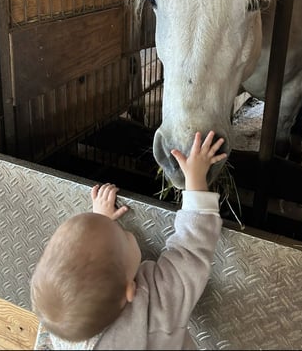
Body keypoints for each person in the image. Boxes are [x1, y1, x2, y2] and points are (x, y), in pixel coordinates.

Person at [30, 130, 227, 350]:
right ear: (130, 291)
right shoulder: (155, 307)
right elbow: (191, 250)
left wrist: (101, 220)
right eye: (122, 235)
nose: (124, 232)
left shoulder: (64, 333)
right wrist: (195, 181)